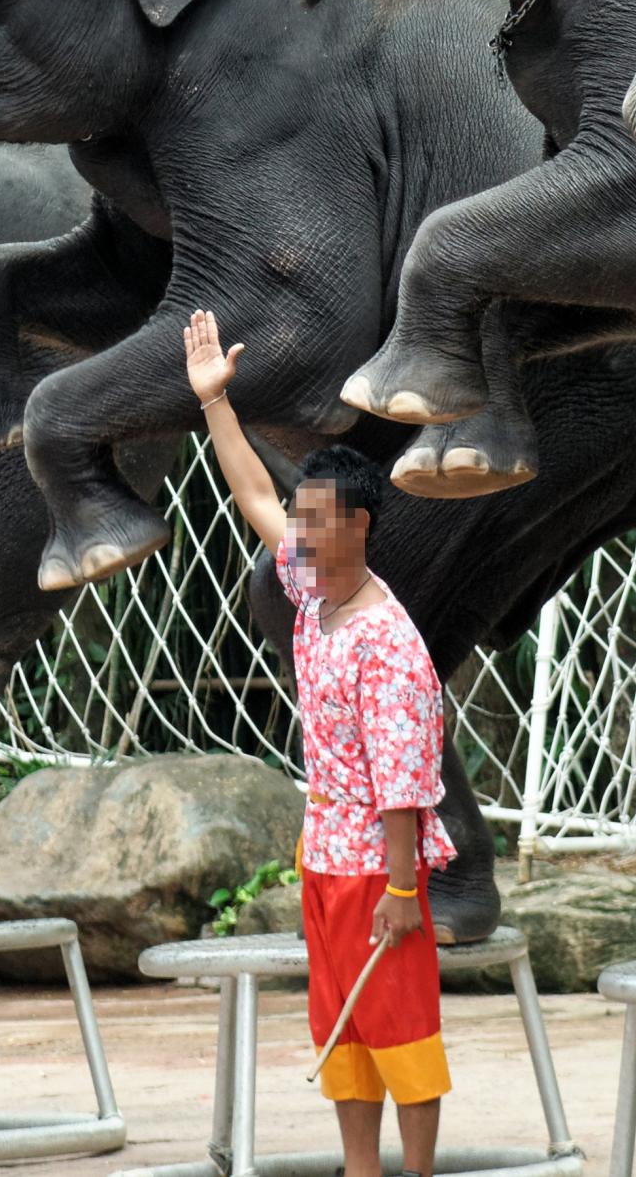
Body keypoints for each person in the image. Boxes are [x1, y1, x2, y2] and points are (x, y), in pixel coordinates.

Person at [184, 308, 455, 1177]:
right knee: (340, 1020)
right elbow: (253, 495)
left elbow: (406, 780)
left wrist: (407, 888)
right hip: (326, 852)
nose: (295, 529)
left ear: (358, 527)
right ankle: (359, 1168)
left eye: (315, 518)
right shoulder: (312, 590)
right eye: (300, 515)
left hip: (382, 863)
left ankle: (412, 1171)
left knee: (400, 1023)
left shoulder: (389, 640)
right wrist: (215, 404)